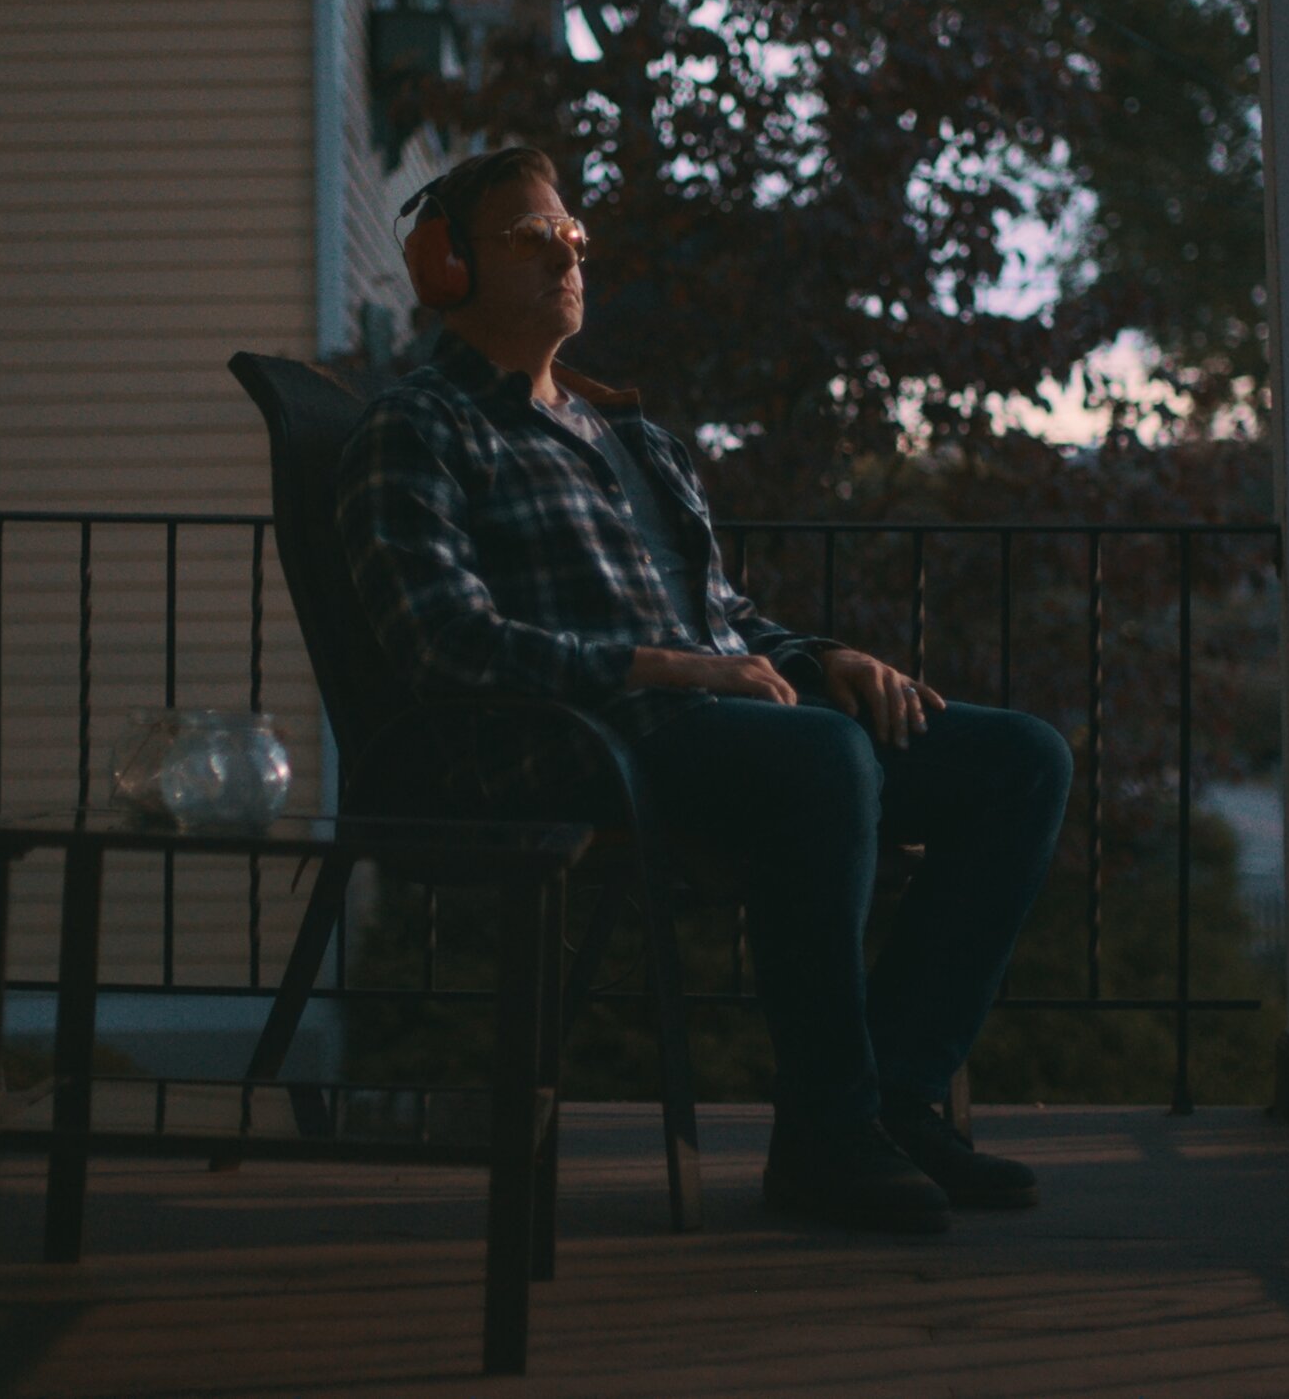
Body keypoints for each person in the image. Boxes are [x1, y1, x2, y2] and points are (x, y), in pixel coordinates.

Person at [336, 146, 1074, 1234]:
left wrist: (822, 658)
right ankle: (826, 1135)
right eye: (533, 240)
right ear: (445, 267)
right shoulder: (419, 430)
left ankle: (899, 1103)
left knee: (1019, 762)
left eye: (575, 240)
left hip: (711, 723)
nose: (568, 259)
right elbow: (443, 642)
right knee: (825, 758)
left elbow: (720, 622)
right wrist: (669, 669)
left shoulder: (630, 436)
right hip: (581, 742)